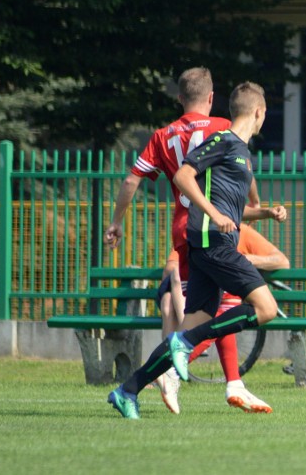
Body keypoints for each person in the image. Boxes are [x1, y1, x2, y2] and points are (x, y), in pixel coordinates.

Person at [103, 67, 281, 413]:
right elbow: (189, 177)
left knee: (197, 321)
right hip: (209, 235)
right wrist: (216, 216)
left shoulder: (175, 137)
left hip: (192, 236)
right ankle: (223, 374)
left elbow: (132, 182)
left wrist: (263, 213)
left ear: (180, 97)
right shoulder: (222, 133)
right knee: (265, 309)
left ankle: (127, 391)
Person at [187, 222, 290, 413]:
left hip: (224, 298)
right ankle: (232, 383)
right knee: (221, 321)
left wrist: (248, 259)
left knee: (224, 320)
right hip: (199, 294)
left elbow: (282, 261)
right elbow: (175, 263)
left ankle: (232, 383)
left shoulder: (244, 232)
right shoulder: (200, 229)